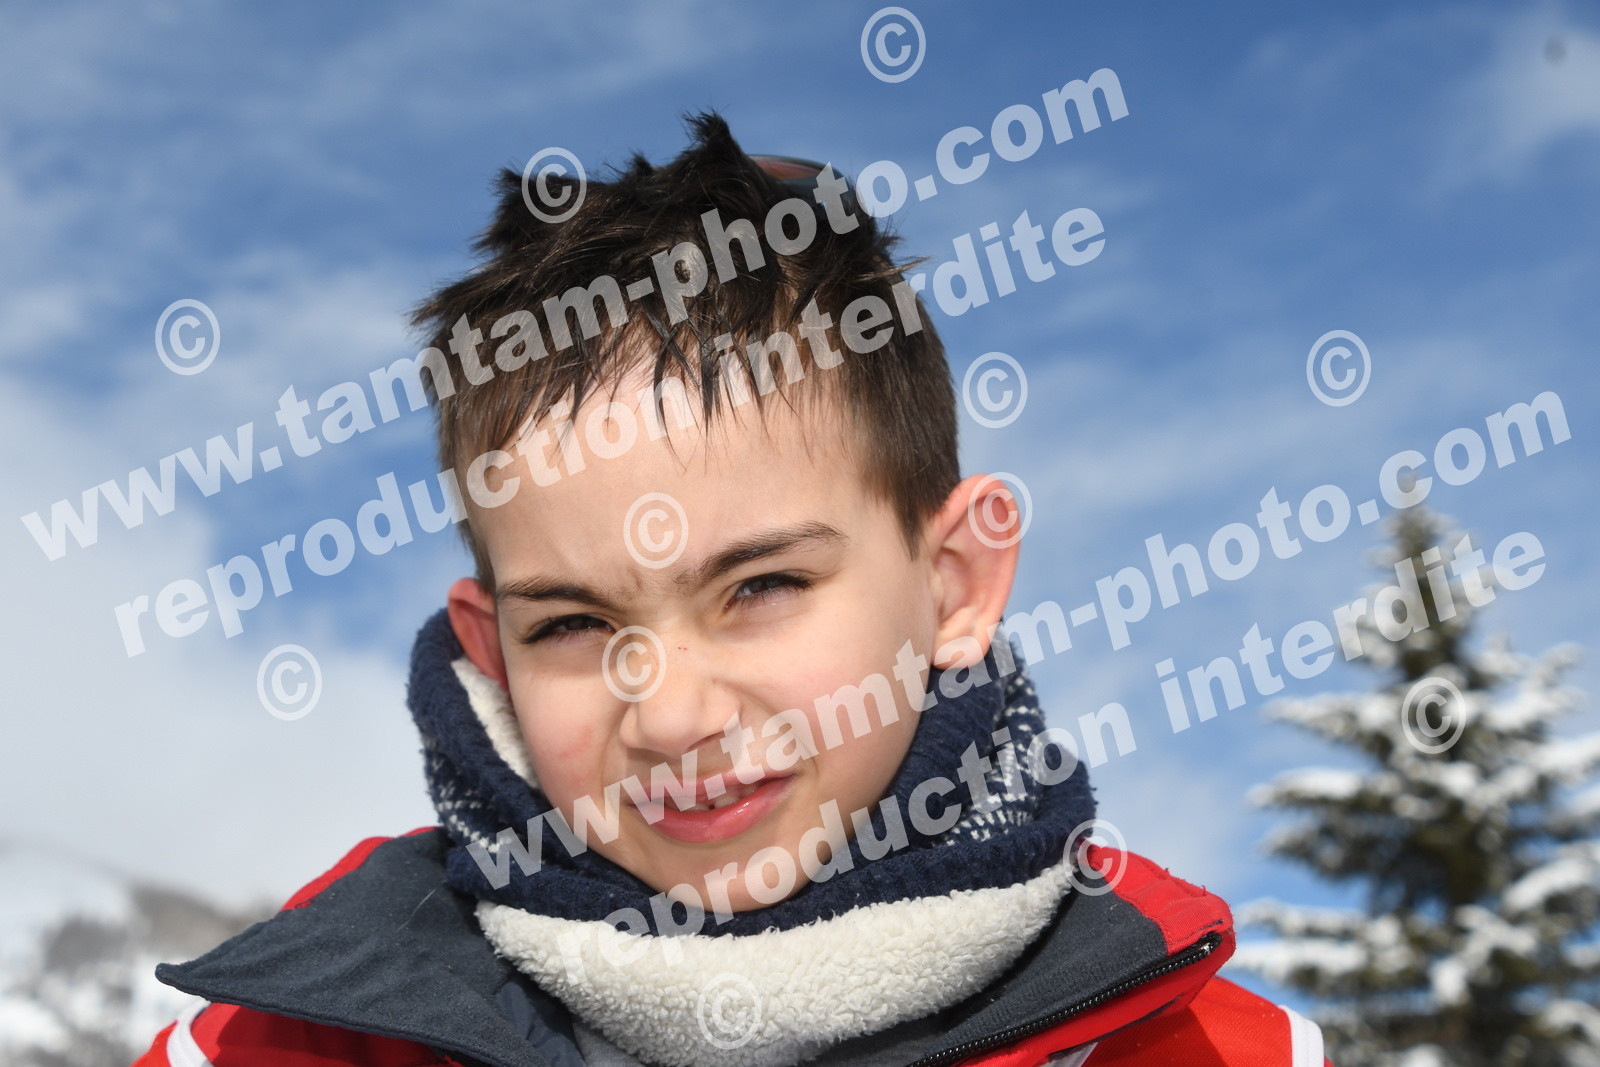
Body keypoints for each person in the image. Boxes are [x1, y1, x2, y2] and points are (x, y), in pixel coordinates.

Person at [135, 111, 1330, 1067]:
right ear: (491, 652)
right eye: (572, 621)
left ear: (955, 584)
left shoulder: (1214, 1048)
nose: (670, 715)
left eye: (759, 585)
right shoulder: (282, 1038)